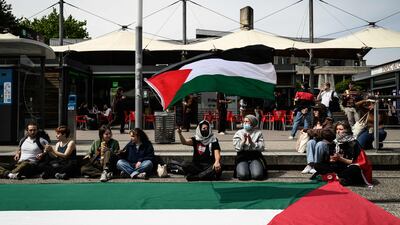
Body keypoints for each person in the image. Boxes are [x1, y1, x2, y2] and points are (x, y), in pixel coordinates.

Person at [314, 121, 372, 186]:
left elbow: (355, 162)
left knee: (355, 168)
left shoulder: (353, 143)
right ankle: (339, 178)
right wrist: (331, 159)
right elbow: (331, 158)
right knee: (317, 165)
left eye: (341, 129)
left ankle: (334, 177)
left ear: (347, 130)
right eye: (337, 129)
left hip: (348, 167)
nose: (338, 131)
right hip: (338, 167)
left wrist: (340, 159)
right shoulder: (334, 142)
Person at [301, 103, 335, 174]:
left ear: (322, 111)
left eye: (317, 110)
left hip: (326, 146)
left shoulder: (328, 121)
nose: (314, 111)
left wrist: (311, 131)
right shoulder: (314, 121)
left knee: (320, 144)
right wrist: (306, 130)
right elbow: (313, 131)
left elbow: (326, 133)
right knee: (311, 142)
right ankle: (310, 164)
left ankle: (317, 165)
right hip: (316, 143)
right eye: (314, 110)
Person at [233, 114, 266, 180]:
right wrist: (243, 142)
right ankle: (244, 169)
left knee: (257, 175)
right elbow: (236, 148)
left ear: (252, 123)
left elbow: (262, 147)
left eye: (247, 121)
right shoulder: (239, 133)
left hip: (255, 156)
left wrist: (252, 143)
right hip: (242, 156)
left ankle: (253, 169)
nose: (245, 123)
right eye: (244, 121)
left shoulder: (258, 133)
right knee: (243, 175)